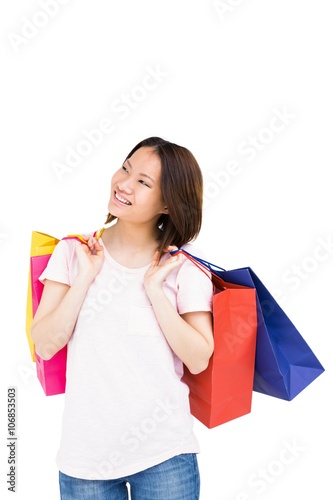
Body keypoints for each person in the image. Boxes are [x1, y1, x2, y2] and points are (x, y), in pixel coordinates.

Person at [31, 136, 214, 500]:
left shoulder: (184, 266)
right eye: (126, 168)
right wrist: (84, 277)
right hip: (85, 461)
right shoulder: (73, 251)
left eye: (144, 182)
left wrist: (155, 290)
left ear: (167, 203)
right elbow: (45, 344)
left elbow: (198, 356)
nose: (124, 183)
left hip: (165, 456)